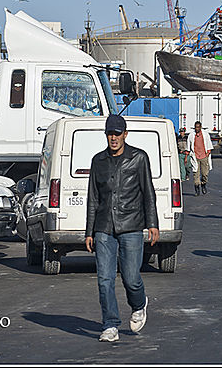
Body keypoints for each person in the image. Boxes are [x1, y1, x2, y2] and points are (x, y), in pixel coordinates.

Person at [85, 114, 159, 343]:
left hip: (131, 225)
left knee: (131, 277)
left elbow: (148, 193)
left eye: (117, 133)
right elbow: (93, 198)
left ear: (125, 134)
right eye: (110, 134)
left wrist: (153, 224)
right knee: (104, 279)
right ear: (106, 135)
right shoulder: (98, 161)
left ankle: (138, 304)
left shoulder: (139, 158)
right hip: (104, 227)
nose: (113, 138)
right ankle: (110, 325)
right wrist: (89, 231)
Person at [187, 121, 214, 195]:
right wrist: (188, 156)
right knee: (196, 174)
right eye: (196, 127)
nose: (197, 129)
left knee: (205, 174)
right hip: (195, 157)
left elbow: (209, 146)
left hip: (204, 156)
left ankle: (203, 184)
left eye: (198, 127)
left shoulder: (205, 135)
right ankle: (197, 189)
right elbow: (188, 148)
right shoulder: (191, 135)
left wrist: (208, 152)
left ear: (201, 127)